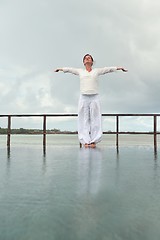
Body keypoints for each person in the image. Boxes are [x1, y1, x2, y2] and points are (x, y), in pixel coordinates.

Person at [55, 54, 127, 148]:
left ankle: (94, 140)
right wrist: (60, 69)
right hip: (83, 97)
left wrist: (119, 68)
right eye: (85, 58)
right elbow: (70, 69)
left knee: (95, 118)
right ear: (84, 62)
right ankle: (85, 141)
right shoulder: (80, 71)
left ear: (92, 62)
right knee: (83, 119)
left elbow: (107, 69)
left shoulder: (96, 71)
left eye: (89, 58)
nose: (87, 59)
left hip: (94, 96)